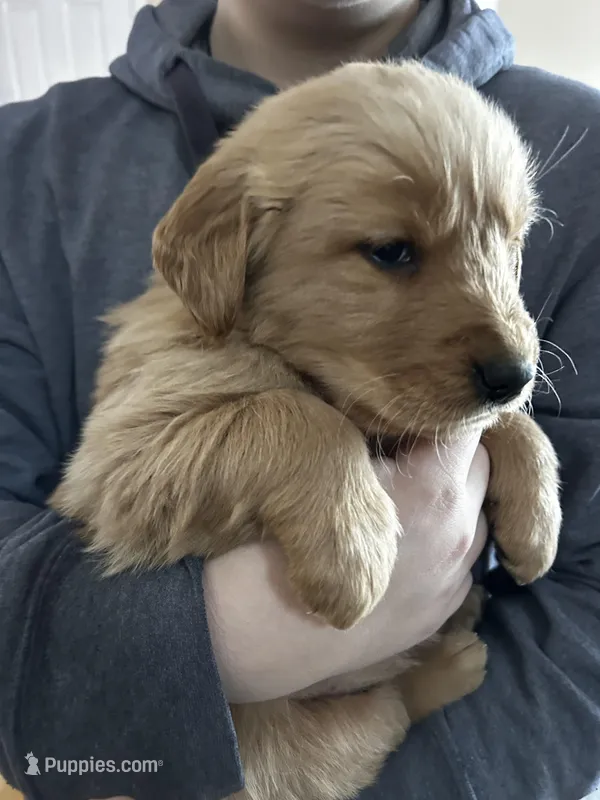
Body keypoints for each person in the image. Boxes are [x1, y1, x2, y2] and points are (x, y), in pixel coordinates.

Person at [0, 0, 598, 798]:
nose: (513, 345)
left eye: (510, 238)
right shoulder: (32, 171)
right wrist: (233, 633)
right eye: (394, 250)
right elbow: (121, 477)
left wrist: (513, 442)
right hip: (219, 759)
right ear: (228, 250)